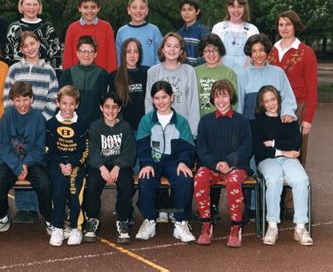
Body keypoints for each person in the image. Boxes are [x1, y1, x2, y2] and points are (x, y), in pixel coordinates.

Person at [3, 30, 59, 223]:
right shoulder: (15, 70)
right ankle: (24, 208)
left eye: (33, 43)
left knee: (35, 163)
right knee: (18, 159)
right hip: (17, 128)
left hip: (39, 126)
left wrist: (39, 121)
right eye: (25, 45)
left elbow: (53, 98)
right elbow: (7, 99)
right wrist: (18, 120)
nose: (30, 48)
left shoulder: (49, 70)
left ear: (39, 44)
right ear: (21, 49)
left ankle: (35, 208)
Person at [268, 10, 318, 221]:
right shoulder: (271, 51)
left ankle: (291, 204)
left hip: (298, 107)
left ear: (295, 26)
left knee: (296, 154)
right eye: (280, 24)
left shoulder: (306, 52)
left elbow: (312, 88)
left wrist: (308, 119)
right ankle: (275, 200)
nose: (284, 28)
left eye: (288, 24)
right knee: (275, 152)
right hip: (274, 108)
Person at [0, 81, 52, 236]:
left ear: (31, 99)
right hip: (10, 162)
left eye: (25, 99)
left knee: (45, 184)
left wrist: (25, 164)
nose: (22, 104)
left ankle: (49, 218)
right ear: (12, 100)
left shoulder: (39, 118)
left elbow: (40, 148)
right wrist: (18, 166)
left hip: (34, 162)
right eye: (18, 100)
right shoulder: (7, 116)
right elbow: (4, 145)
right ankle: (2, 217)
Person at [251, 86, 313, 246]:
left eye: (273, 99)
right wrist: (282, 152)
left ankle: (300, 227)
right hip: (268, 160)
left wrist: (273, 143)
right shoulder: (257, 123)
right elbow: (259, 150)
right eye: (266, 101)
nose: (271, 104)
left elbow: (295, 145)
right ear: (261, 104)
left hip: (287, 159)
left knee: (301, 179)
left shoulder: (289, 119)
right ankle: (272, 226)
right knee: (274, 178)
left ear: (278, 100)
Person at [135, 81, 196, 243]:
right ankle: (149, 220)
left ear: (171, 98)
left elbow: (188, 147)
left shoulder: (181, 121)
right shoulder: (146, 120)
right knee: (146, 179)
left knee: (185, 178)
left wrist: (184, 161)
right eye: (156, 98)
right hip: (153, 162)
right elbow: (141, 146)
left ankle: (181, 222)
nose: (161, 101)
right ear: (152, 100)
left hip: (174, 162)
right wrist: (147, 163)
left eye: (164, 97)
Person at [194, 79, 252, 248]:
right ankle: (206, 225)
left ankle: (236, 228)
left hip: (237, 166)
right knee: (199, 178)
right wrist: (216, 164)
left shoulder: (242, 121)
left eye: (224, 95)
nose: (221, 100)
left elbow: (246, 149)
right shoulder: (205, 121)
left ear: (231, 96)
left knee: (233, 180)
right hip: (212, 166)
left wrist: (228, 162)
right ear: (212, 98)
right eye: (217, 96)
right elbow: (202, 149)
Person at [83, 92, 136, 244]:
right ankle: (92, 219)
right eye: (107, 107)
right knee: (92, 184)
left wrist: (118, 166)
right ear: (101, 108)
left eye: (114, 107)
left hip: (120, 166)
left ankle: (123, 220)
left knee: (126, 184)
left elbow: (129, 153)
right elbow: (92, 151)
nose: (110, 111)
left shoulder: (125, 127)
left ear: (119, 109)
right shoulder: (95, 127)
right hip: (100, 166)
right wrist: (101, 167)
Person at [47, 86, 89, 246]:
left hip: (76, 164)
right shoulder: (51, 124)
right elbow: (48, 150)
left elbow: (85, 150)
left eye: (71, 104)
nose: (67, 108)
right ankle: (57, 226)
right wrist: (60, 163)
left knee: (73, 187)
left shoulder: (83, 124)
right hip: (56, 164)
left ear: (77, 105)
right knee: (59, 185)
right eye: (64, 103)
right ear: (58, 103)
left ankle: (75, 228)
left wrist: (72, 163)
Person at [145, 32, 200, 138]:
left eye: (176, 46)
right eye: (168, 45)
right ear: (162, 49)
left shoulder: (189, 71)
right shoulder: (153, 72)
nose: (172, 49)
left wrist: (193, 132)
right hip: (159, 128)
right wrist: (150, 128)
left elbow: (193, 103)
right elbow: (148, 101)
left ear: (181, 51)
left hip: (182, 129)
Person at [237, 34, 297, 122]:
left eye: (261, 50)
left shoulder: (278, 72)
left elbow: (288, 97)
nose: (258, 54)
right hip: (251, 123)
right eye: (254, 51)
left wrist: (288, 112)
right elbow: (239, 104)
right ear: (250, 54)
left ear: (267, 51)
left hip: (275, 123)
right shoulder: (242, 74)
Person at [3, 0, 61, 69]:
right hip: (19, 76)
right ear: (21, 6)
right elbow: (7, 56)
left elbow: (55, 55)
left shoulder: (47, 27)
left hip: (43, 75)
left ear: (39, 7)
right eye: (28, 4)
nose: (31, 7)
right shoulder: (14, 28)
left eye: (35, 4)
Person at [60, 35, 109, 125]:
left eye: (90, 52)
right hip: (71, 124)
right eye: (83, 51)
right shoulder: (68, 74)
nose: (87, 55)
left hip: (96, 124)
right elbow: (61, 102)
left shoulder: (103, 75)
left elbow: (105, 103)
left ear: (95, 54)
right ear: (77, 53)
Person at [62, 0, 117, 72]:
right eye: (85, 7)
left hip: (101, 76)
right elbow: (67, 56)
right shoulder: (72, 28)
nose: (89, 11)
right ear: (79, 8)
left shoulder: (106, 27)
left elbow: (111, 55)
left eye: (93, 7)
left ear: (98, 8)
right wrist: (67, 76)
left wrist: (111, 76)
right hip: (77, 77)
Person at [211, 0, 259, 76]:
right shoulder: (218, 28)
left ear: (245, 8)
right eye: (232, 6)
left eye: (239, 6)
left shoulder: (252, 29)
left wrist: (243, 74)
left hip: (246, 75)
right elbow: (215, 54)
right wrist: (225, 74)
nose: (236, 10)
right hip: (222, 75)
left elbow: (253, 56)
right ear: (227, 8)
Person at [109, 37, 148, 132]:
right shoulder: (114, 75)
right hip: (122, 128)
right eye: (128, 51)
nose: (132, 55)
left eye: (136, 51)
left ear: (140, 54)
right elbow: (112, 103)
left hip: (143, 127)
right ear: (123, 54)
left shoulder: (147, 73)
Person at [116, 0, 163, 67]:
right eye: (134, 7)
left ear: (147, 10)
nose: (138, 11)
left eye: (142, 8)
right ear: (128, 10)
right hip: (128, 75)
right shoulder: (122, 31)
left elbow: (159, 56)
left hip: (150, 75)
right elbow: (118, 56)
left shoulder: (154, 30)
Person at [177, 0, 210, 67]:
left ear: (197, 11)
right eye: (184, 10)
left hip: (198, 73)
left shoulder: (204, 32)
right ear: (180, 13)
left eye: (190, 9)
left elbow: (207, 56)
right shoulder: (178, 34)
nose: (186, 13)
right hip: (182, 73)